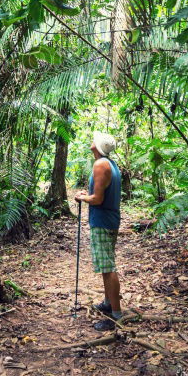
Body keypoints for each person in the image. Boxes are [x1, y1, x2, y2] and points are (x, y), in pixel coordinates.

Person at [74, 131, 122, 331]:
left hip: (102, 220)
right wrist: (89, 195)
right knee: (105, 264)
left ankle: (116, 314)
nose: (92, 141)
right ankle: (108, 303)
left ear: (99, 146)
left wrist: (82, 198)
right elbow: (99, 193)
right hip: (108, 219)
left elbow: (98, 199)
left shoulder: (100, 164)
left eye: (95, 140)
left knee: (107, 266)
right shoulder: (110, 164)